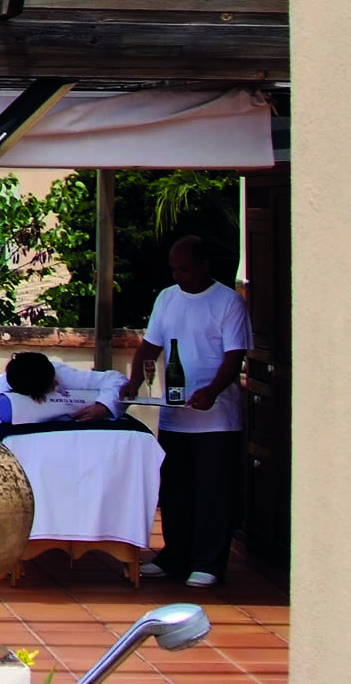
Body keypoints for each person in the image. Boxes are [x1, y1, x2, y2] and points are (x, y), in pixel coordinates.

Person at [127, 234, 253, 587]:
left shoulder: (228, 302)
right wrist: (134, 381)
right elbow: (150, 346)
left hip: (217, 421)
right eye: (173, 268)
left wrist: (212, 391)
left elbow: (235, 355)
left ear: (204, 266)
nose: (177, 274)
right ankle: (174, 556)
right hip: (175, 415)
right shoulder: (167, 299)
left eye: (183, 268)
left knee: (213, 493)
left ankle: (208, 563)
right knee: (175, 492)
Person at [0, 351, 126, 430]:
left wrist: (103, 407)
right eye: (50, 385)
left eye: (53, 379)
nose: (56, 383)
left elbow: (117, 379)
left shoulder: (57, 372)